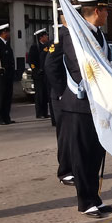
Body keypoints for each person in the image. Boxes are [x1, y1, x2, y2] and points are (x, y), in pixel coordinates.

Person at [60, 0, 112, 217]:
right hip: (80, 104)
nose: (107, 14)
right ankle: (86, 202)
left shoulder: (98, 34)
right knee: (82, 155)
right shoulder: (74, 35)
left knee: (95, 153)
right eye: (105, 10)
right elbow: (79, 68)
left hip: (98, 103)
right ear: (96, 11)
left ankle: (95, 197)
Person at [44, 14, 73, 187]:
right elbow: (50, 66)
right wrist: (62, 91)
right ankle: (65, 171)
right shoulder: (60, 38)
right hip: (62, 95)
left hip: (73, 95)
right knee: (65, 135)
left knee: (74, 135)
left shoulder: (72, 36)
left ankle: (75, 168)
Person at [27, 28, 51, 119]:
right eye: (45, 36)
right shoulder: (35, 47)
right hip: (38, 74)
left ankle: (45, 112)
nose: (47, 37)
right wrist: (36, 70)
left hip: (45, 74)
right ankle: (39, 112)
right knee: (39, 94)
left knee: (45, 94)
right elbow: (31, 60)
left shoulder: (47, 46)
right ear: (41, 37)